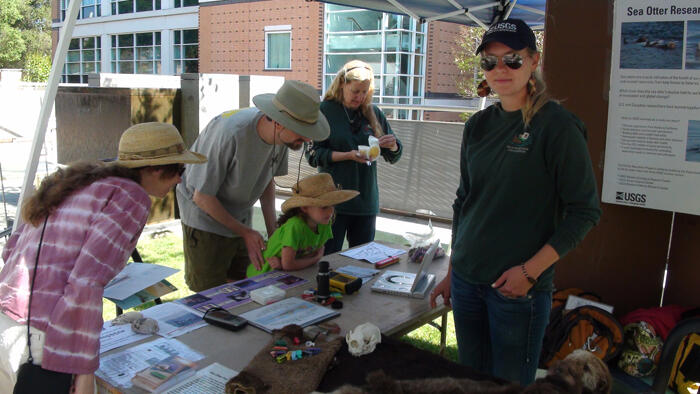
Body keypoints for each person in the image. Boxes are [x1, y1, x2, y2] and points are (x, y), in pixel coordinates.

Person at [429, 19, 602, 385]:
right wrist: (451, 271)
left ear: (534, 60)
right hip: (466, 281)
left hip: (516, 291)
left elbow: (585, 211)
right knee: (472, 382)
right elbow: (464, 201)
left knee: (509, 386)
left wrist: (529, 272)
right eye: (490, 62)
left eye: (512, 59)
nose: (500, 70)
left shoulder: (557, 126)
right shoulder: (477, 125)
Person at [0, 122, 207, 393]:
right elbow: (86, 282)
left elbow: (12, 248)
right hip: (42, 331)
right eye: (178, 170)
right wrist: (84, 370)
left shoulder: (84, 183)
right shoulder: (130, 197)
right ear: (156, 168)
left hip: (9, 316)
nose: (180, 179)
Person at [176, 80, 330, 292]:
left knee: (245, 284)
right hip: (204, 217)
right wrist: (246, 233)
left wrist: (272, 230)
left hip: (240, 215)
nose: (305, 139)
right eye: (301, 131)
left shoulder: (284, 138)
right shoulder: (230, 132)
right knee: (210, 291)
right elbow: (202, 197)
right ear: (278, 121)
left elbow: (267, 181)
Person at [307, 60, 402, 255]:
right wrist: (348, 156)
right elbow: (313, 155)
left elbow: (394, 156)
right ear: (342, 83)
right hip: (333, 203)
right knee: (327, 259)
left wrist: (392, 145)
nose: (360, 97)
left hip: (366, 202)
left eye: (364, 92)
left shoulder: (373, 113)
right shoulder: (324, 111)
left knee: (362, 263)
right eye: (355, 91)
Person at [246, 173, 358, 277]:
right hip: (263, 273)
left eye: (332, 206)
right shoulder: (295, 227)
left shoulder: (324, 223)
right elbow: (290, 264)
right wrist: (314, 259)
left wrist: (298, 262)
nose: (330, 212)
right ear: (304, 207)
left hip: (288, 274)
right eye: (323, 207)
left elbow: (310, 255)